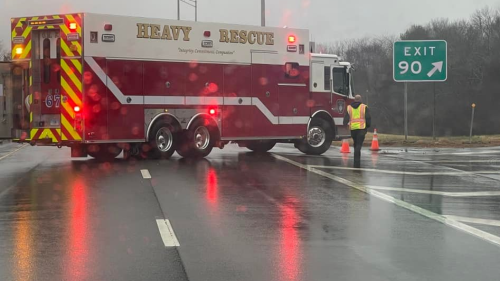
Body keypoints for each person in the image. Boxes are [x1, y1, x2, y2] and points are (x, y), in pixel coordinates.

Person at [343, 95, 371, 168]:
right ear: (360, 99)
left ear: (354, 99)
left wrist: (345, 124)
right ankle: (357, 162)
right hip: (361, 128)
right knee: (359, 144)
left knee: (356, 144)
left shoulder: (349, 107)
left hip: (353, 129)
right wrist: (367, 126)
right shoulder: (364, 107)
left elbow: (346, 117)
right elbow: (368, 117)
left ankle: (356, 160)